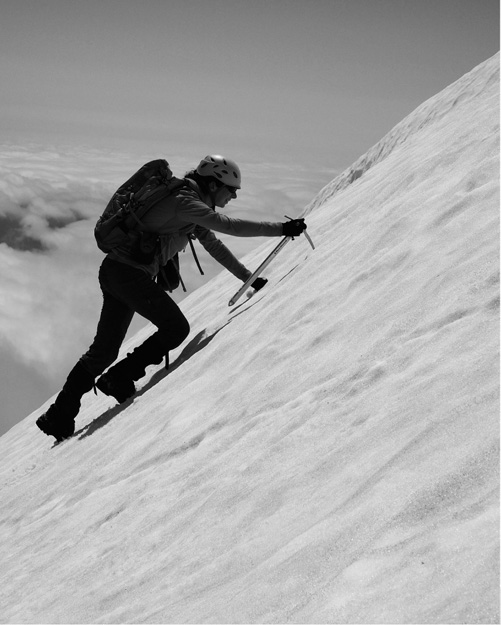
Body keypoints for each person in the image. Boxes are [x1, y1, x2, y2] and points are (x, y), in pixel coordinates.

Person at [36, 155, 307, 442]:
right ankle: (119, 378)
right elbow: (229, 226)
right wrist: (281, 228)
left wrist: (248, 278)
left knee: (103, 351)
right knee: (175, 328)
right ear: (214, 185)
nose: (234, 195)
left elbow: (213, 244)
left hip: (117, 273)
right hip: (127, 275)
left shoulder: (190, 206)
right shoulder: (185, 202)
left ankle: (59, 416)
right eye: (231, 189)